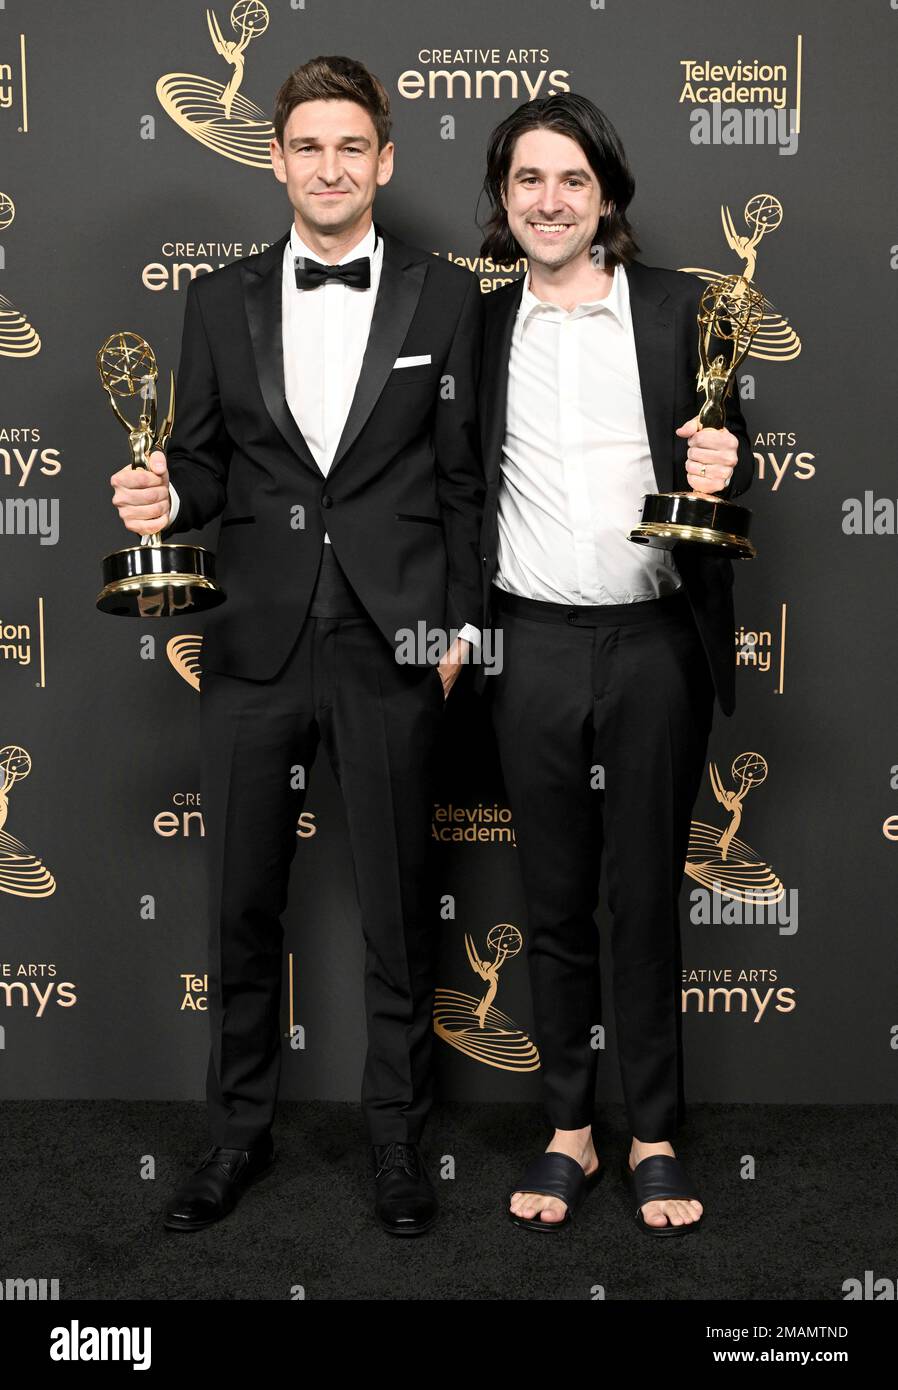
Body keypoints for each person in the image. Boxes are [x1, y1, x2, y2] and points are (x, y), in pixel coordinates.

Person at [109, 55, 484, 1237]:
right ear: (276, 160)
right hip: (253, 639)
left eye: (349, 148)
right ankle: (233, 1137)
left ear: (384, 161)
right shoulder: (217, 299)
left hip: (394, 642)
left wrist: (462, 622)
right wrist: (166, 496)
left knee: (396, 905)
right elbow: (207, 462)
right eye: (306, 147)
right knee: (238, 909)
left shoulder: (448, 296)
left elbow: (466, 480)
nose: (329, 167)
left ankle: (395, 1145)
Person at [475, 94, 753, 1235]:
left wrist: (729, 464)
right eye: (528, 180)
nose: (550, 200)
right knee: (551, 901)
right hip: (528, 642)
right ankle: (567, 1130)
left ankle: (650, 1133)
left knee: (642, 896)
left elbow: (734, 477)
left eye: (572, 180)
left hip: (653, 647)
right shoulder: (475, 325)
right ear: (503, 198)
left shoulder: (686, 310)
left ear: (607, 197)